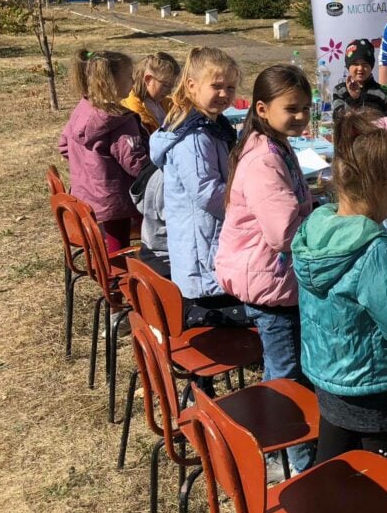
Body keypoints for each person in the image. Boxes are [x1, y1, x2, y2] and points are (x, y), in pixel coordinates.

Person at [291, 114, 387, 465]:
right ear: (379, 190)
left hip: (327, 372)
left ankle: (321, 497)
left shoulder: (317, 225)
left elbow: (350, 285)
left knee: (333, 454)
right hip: (374, 384)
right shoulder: (374, 247)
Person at [215, 65, 315, 475]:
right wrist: (329, 226)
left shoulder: (273, 144)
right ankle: (296, 464)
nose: (301, 116)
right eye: (292, 108)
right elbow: (284, 232)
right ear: (262, 108)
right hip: (269, 282)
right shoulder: (262, 159)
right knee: (288, 378)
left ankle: (270, 448)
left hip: (271, 277)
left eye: (306, 108)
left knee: (279, 368)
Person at [150, 47, 248, 328]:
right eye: (216, 86)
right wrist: (247, 207)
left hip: (209, 243)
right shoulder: (194, 137)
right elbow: (207, 194)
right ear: (191, 86)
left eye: (230, 87)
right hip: (204, 258)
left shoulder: (211, 125)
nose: (224, 94)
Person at [59, 49, 148, 253]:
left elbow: (64, 145)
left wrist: (88, 170)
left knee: (111, 240)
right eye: (129, 77)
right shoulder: (120, 121)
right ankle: (116, 280)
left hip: (87, 198)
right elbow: (135, 163)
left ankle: (111, 274)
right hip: (116, 201)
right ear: (111, 82)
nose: (133, 82)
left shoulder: (82, 109)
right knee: (119, 245)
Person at [121, 51, 181, 133]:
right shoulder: (134, 111)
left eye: (172, 86)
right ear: (148, 79)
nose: (169, 92)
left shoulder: (165, 103)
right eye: (166, 85)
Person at [331, 38, 387, 121]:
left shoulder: (382, 92)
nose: (360, 68)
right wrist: (352, 99)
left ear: (371, 67)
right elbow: (338, 118)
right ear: (348, 66)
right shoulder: (340, 90)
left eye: (365, 64)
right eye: (355, 64)